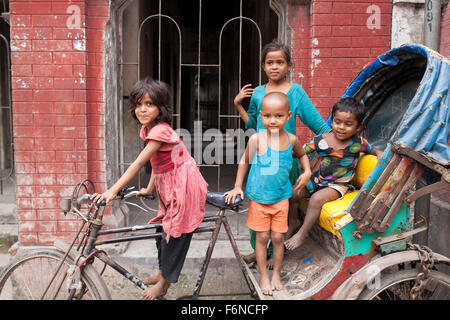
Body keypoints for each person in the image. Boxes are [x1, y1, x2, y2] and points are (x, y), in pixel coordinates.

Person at [91, 77, 208, 300]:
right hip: (170, 181)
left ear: (161, 108)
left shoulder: (161, 130)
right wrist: (149, 186)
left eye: (149, 104)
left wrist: (112, 190)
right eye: (138, 104)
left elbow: (138, 163)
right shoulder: (148, 129)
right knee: (160, 230)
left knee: (174, 235)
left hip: (184, 183)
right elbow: (158, 161)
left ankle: (164, 285)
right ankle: (162, 272)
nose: (142, 110)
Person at [233, 40, 330, 266]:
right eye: (269, 62)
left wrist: (340, 145)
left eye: (280, 62)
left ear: (289, 65)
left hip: (286, 162)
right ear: (263, 66)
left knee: (280, 213)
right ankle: (260, 251)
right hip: (260, 162)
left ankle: (273, 256)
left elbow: (320, 126)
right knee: (257, 208)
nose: (274, 67)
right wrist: (239, 106)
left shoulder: (296, 93)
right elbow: (253, 126)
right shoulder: (258, 93)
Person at [224, 92, 312, 295]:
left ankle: (276, 274)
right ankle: (263, 275)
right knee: (262, 238)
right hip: (258, 199)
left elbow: (302, 155)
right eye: (268, 116)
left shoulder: (292, 140)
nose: (273, 121)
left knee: (278, 238)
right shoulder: (256, 139)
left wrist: (307, 171)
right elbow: (244, 161)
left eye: (279, 116)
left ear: (288, 116)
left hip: (281, 198)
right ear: (261, 116)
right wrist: (238, 186)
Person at [284, 97, 382, 251]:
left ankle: (302, 233)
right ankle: (293, 222)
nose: (341, 127)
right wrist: (290, 152)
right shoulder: (322, 140)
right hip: (318, 179)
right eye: (337, 122)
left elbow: (372, 149)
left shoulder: (358, 143)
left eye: (348, 124)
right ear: (332, 121)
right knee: (291, 193)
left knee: (316, 199)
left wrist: (378, 152)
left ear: (358, 127)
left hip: (338, 185)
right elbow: (301, 151)